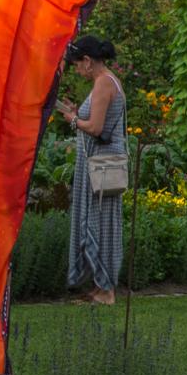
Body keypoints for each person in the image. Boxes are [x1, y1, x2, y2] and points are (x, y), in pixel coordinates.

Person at [55, 35, 126, 305]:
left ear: (87, 61)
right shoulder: (106, 82)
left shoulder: (103, 84)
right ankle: (100, 285)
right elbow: (98, 121)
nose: (76, 70)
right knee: (99, 221)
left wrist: (73, 120)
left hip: (101, 165)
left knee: (100, 223)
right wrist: (77, 114)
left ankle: (106, 291)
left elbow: (96, 128)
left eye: (77, 65)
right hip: (100, 163)